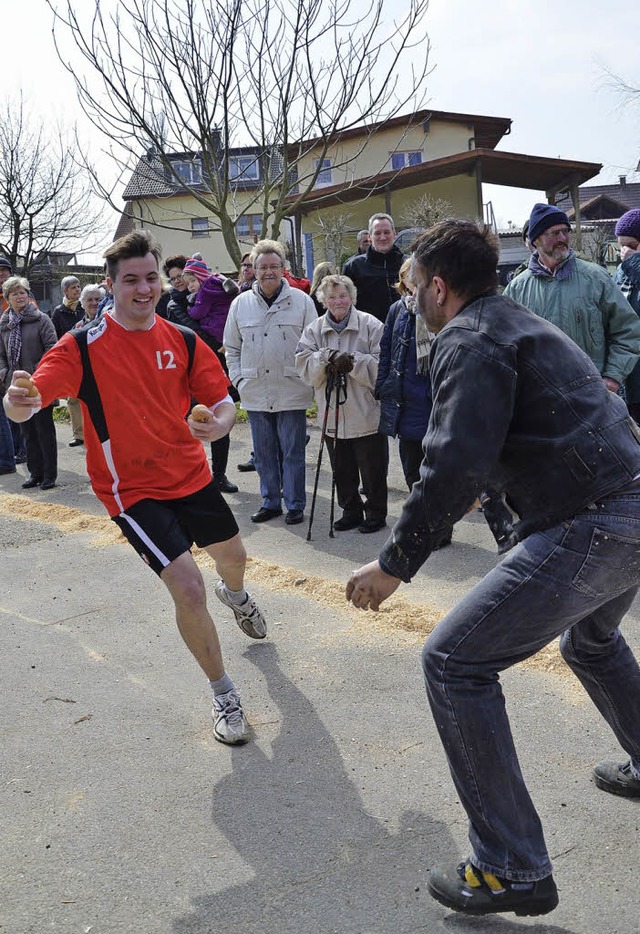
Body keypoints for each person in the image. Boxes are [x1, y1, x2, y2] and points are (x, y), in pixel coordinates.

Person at [346, 218, 640, 918]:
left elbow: (453, 465)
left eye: (413, 285)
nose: (409, 296)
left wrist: (394, 563)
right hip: (630, 505)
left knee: (453, 663)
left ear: (438, 288)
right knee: (591, 642)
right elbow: (509, 447)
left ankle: (511, 866)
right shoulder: (513, 318)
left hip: (594, 518)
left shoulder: (468, 338)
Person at [4, 230, 267, 746]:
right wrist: (18, 400)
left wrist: (219, 423)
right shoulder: (81, 346)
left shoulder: (184, 339)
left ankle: (234, 594)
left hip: (190, 474)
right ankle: (223, 691)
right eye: (131, 280)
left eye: (151, 278)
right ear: (110, 285)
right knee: (188, 586)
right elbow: (30, 400)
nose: (144, 289)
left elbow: (222, 401)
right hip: (132, 491)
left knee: (232, 559)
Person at [224, 239, 316, 525]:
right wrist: (239, 378)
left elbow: (313, 345)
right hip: (255, 389)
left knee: (292, 452)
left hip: (292, 387)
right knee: (263, 454)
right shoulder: (240, 304)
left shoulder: (302, 302)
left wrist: (308, 379)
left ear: (283, 269)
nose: (267, 272)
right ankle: (270, 502)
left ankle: (295, 504)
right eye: (261, 267)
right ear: (254, 269)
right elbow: (231, 348)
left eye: (273, 266)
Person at [505, 203, 640, 393]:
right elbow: (504, 345)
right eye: (553, 233)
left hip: (593, 397)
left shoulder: (597, 278)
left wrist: (612, 377)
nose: (562, 238)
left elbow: (628, 330)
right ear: (535, 240)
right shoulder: (516, 289)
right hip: (540, 401)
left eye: (565, 231)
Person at [296, 273, 387, 533]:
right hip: (331, 409)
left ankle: (376, 512)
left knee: (372, 468)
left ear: (352, 297)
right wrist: (326, 358)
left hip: (365, 410)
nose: (338, 301)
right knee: (342, 469)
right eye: (332, 296)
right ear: (323, 300)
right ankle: (351, 510)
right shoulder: (314, 329)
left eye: (343, 295)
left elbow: (383, 368)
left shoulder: (371, 325)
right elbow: (303, 366)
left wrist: (353, 362)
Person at [181, 256, 239, 495]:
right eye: (176, 279)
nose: (181, 283)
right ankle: (192, 476)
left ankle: (219, 475)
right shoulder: (172, 303)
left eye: (183, 278)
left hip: (214, 363)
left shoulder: (200, 296)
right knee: (186, 425)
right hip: (187, 369)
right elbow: (192, 330)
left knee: (217, 416)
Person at [0, 276, 58, 489]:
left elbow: (53, 349)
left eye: (23, 291)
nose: (19, 296)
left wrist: (38, 374)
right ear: (8, 298)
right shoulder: (4, 325)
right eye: (14, 293)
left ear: (28, 295)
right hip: (16, 387)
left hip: (39, 384)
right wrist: (5, 372)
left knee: (44, 430)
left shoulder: (41, 319)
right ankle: (35, 473)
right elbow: (1, 355)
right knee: (27, 432)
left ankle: (50, 475)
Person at [341, 213, 404, 323]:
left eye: (387, 232)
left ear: (394, 233)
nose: (383, 237)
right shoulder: (354, 267)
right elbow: (345, 304)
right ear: (370, 236)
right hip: (368, 334)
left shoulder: (408, 265)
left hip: (405, 333)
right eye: (377, 233)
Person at [52, 275, 86, 447]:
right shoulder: (59, 312)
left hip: (88, 356)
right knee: (73, 398)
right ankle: (79, 434)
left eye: (79, 287)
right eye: (73, 287)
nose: (77, 290)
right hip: (71, 359)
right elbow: (56, 336)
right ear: (65, 291)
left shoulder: (85, 306)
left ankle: (93, 431)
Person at [614, 208, 640, 426]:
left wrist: (635, 262)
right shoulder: (621, 271)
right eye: (621, 245)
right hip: (628, 379)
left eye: (632, 246)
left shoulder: (631, 264)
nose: (624, 252)